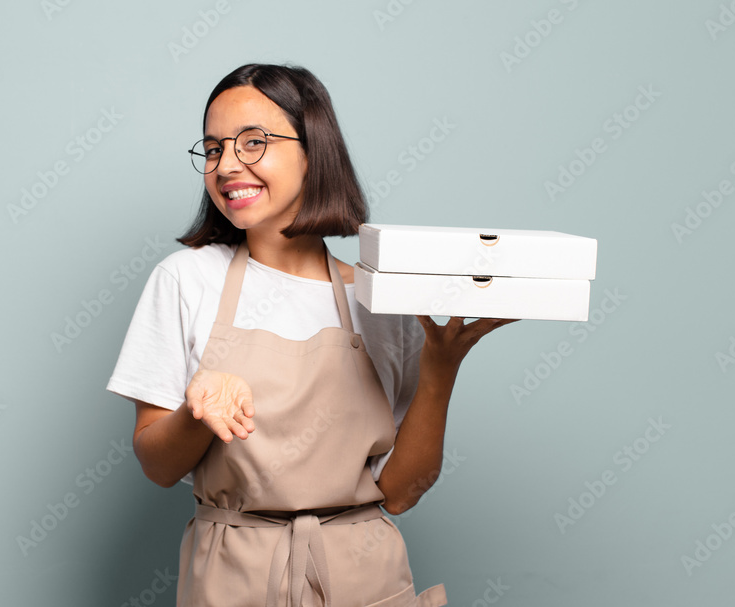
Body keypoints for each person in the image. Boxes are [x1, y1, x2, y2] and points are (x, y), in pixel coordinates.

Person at [106, 63, 517, 606]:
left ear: (314, 151)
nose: (227, 165)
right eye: (212, 149)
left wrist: (441, 371)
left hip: (363, 572)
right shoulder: (186, 281)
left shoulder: (380, 298)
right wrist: (197, 413)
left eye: (253, 143)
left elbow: (399, 492)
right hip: (233, 575)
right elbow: (158, 466)